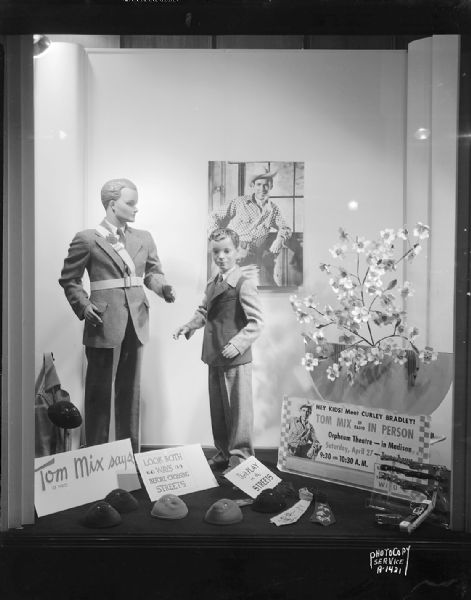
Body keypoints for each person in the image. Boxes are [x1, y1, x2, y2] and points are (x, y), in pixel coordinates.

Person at [59, 178, 175, 452]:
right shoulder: (87, 239)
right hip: (102, 322)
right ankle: (96, 455)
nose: (136, 209)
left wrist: (162, 287)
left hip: (137, 321)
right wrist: (85, 306)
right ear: (113, 204)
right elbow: (69, 279)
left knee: (130, 392)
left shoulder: (144, 238)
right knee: (98, 392)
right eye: (130, 203)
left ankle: (128, 455)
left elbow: (152, 274)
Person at [173, 228, 263, 472]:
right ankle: (224, 452)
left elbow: (257, 322)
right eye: (216, 252)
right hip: (214, 354)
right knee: (219, 410)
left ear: (238, 251)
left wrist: (238, 344)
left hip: (235, 358)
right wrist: (189, 325)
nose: (221, 256)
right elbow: (204, 312)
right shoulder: (213, 283)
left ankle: (241, 458)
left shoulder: (243, 283)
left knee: (238, 411)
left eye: (227, 250)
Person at [208, 168, 292, 286]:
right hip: (229, 254)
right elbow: (213, 217)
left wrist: (280, 239)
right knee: (222, 292)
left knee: (259, 291)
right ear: (253, 185)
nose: (262, 189)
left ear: (271, 186)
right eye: (258, 184)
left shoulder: (273, 209)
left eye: (266, 185)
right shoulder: (239, 202)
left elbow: (285, 228)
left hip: (253, 258)